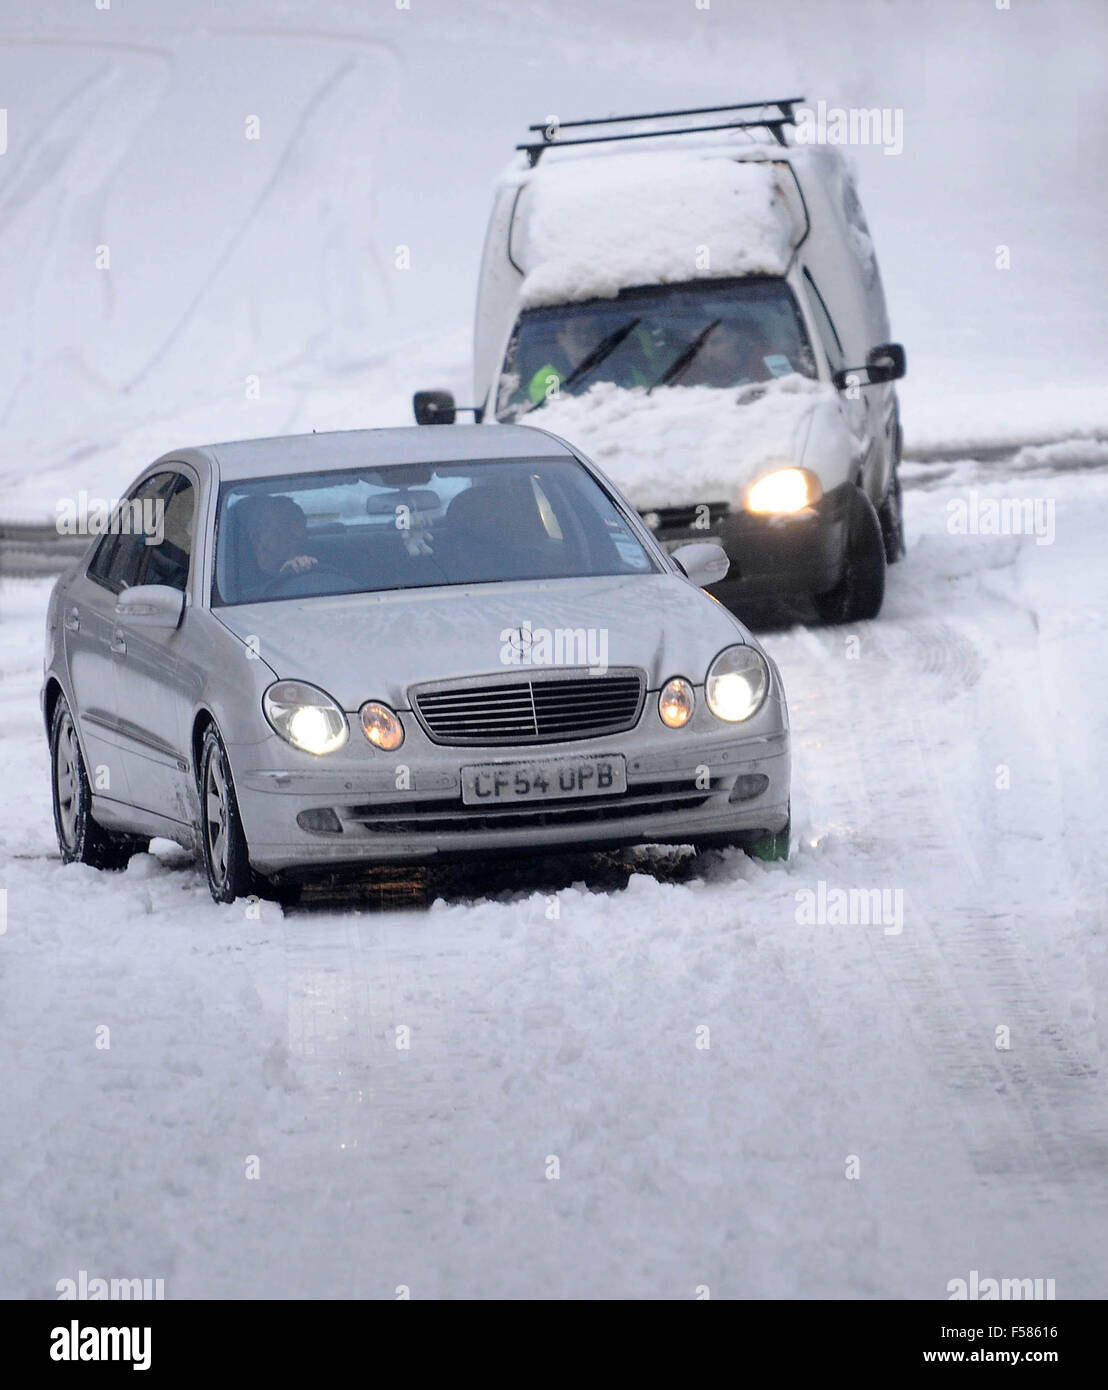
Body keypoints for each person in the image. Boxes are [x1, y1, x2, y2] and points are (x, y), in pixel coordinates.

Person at [245, 495, 318, 578]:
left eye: (301, 528)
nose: (297, 536)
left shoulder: (317, 563)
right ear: (257, 537)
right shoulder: (238, 577)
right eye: (282, 528)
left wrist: (303, 568)